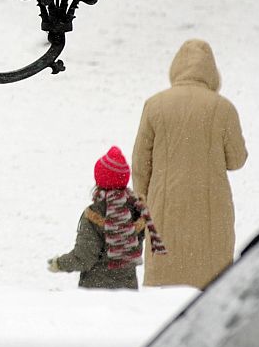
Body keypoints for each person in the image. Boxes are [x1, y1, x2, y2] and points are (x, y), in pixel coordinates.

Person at [132, 38, 248, 290]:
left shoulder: (155, 105)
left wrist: (143, 198)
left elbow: (141, 162)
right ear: (212, 73)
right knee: (210, 279)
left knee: (165, 282)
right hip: (211, 206)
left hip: (164, 205)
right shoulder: (223, 108)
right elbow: (237, 160)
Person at [47, 146, 166, 289]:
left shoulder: (95, 214)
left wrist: (59, 263)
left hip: (96, 295)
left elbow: (84, 258)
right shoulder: (136, 209)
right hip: (128, 293)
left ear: (100, 180)